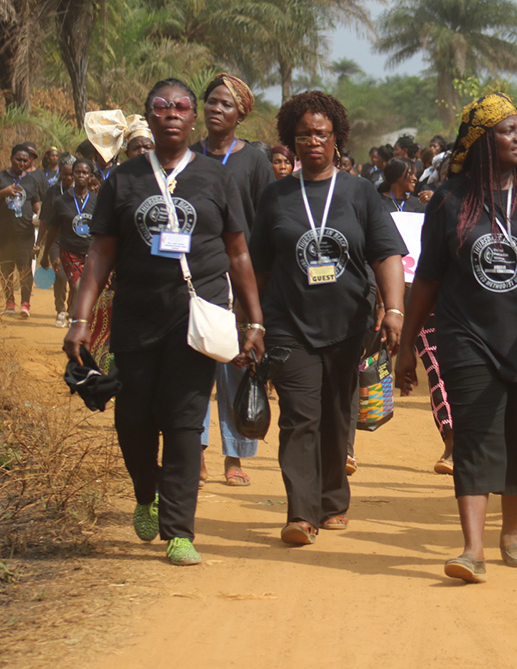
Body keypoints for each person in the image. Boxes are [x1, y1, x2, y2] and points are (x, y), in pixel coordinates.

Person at [64, 77, 264, 566]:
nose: (172, 113)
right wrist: (80, 317)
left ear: (192, 117)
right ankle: (145, 493)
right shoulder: (124, 180)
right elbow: (101, 253)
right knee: (133, 418)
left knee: (182, 420)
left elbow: (238, 253)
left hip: (197, 318)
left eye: (181, 106)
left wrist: (254, 320)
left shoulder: (218, 179)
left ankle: (179, 531)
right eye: (162, 106)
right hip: (136, 315)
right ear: (148, 117)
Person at [396, 93, 517, 583]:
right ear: (483, 142)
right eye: (508, 131)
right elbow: (429, 279)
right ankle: (472, 549)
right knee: (477, 435)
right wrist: (405, 348)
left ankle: (511, 534)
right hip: (467, 333)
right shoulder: (450, 199)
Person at [250, 90, 407, 545]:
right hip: (289, 325)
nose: (312, 142)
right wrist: (253, 323)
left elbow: (387, 255)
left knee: (338, 414)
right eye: (302, 136)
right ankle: (301, 512)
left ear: (336, 137)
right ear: (290, 140)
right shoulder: (275, 196)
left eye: (320, 133)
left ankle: (334, 498)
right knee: (300, 415)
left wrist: (393, 310)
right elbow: (257, 267)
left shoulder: (360, 194)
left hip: (349, 327)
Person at [191, 73, 276, 488]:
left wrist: (259, 287)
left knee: (237, 365)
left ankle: (233, 455)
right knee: (194, 366)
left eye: (225, 104)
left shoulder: (254, 161)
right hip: (196, 275)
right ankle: (196, 449)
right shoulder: (188, 155)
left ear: (240, 114)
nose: (215, 108)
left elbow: (266, 219)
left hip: (241, 275)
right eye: (211, 101)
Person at [37, 158, 99, 318]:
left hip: (90, 252)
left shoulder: (97, 201)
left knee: (83, 288)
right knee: (78, 286)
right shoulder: (61, 201)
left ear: (91, 176)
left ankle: (73, 311)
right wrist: (46, 254)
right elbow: (53, 229)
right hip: (69, 251)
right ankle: (73, 316)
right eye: (77, 172)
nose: (80, 175)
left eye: (84, 173)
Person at [0, 143, 48, 318]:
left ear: (29, 162)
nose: (21, 163)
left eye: (24, 160)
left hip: (25, 233)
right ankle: (10, 302)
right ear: (11, 158)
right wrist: (4, 192)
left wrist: (38, 211)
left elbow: (35, 201)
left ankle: (25, 304)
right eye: (18, 159)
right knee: (6, 270)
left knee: (25, 269)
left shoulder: (31, 180)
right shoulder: (2, 177)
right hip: (4, 233)